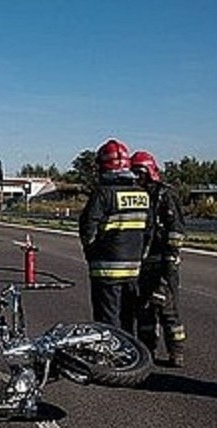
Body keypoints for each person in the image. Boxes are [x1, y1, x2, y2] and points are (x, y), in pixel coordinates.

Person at [79, 139, 153, 334]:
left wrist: (92, 254)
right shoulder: (143, 195)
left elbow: (88, 229)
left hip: (105, 270)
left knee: (107, 319)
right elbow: (149, 232)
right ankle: (130, 357)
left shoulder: (102, 194)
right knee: (127, 317)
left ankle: (111, 357)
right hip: (133, 270)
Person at [131, 151, 187, 367]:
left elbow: (176, 231)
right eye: (134, 172)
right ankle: (147, 352)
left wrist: (171, 258)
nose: (137, 177)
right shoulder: (138, 195)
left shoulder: (166, 195)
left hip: (164, 263)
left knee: (167, 310)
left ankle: (176, 353)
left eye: (140, 172)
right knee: (144, 312)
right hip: (142, 264)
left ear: (149, 171)